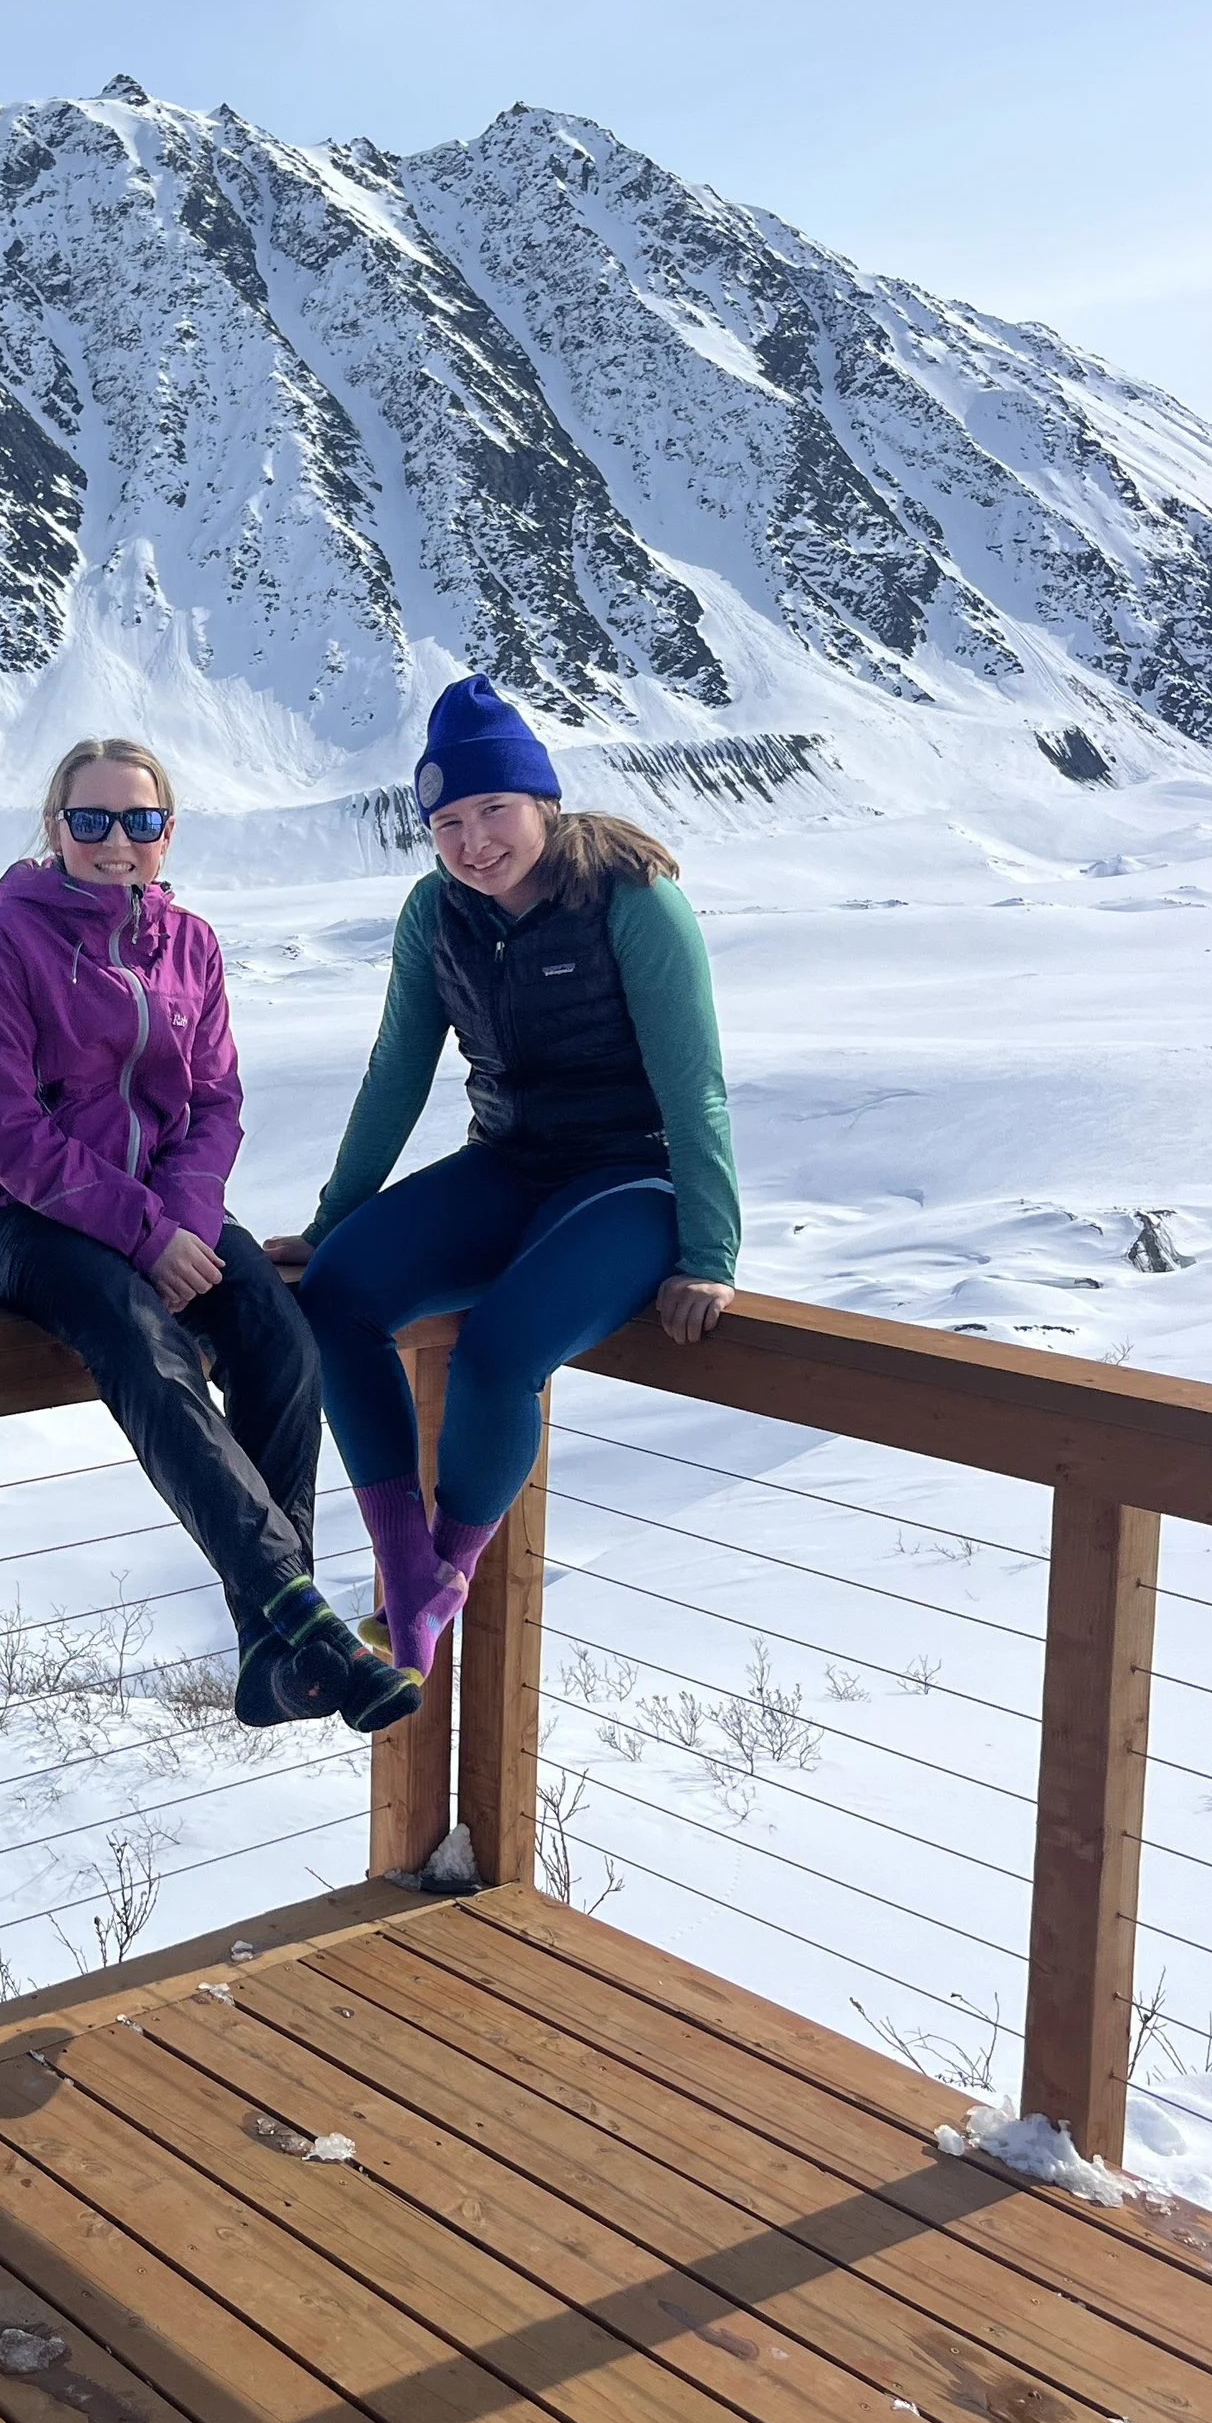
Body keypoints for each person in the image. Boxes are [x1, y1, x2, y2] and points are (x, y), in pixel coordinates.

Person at [0, 738, 419, 1733]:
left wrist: (184, 1225)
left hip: (166, 1216)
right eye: (91, 821)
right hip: (21, 1220)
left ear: (168, 833)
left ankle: (266, 1651)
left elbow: (212, 1105)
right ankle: (305, 1621)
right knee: (138, 1338)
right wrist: (145, 1235)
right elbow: (7, 1133)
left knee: (280, 1339)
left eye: (139, 822)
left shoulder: (189, 943)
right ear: (54, 828)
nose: (116, 842)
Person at [274, 675, 739, 1682]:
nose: (474, 842)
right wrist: (333, 1222)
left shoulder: (632, 897)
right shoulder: (435, 912)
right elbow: (398, 1068)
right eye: (447, 822)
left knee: (494, 1354)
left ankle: (449, 1566)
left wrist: (708, 1254)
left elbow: (692, 1084)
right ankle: (405, 1565)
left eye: (493, 810)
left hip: (627, 1185)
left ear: (542, 802)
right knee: (336, 1295)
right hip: (508, 1164)